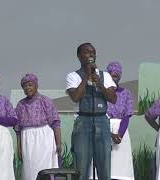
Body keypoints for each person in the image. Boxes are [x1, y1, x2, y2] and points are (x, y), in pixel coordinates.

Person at [66, 43, 117, 180]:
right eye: (87, 52)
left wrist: (99, 83)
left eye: (93, 52)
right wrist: (87, 75)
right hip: (83, 122)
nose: (91, 55)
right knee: (81, 167)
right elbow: (76, 97)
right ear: (79, 56)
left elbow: (113, 98)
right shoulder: (73, 76)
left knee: (104, 166)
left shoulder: (105, 76)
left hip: (102, 121)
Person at [90, 61, 134, 180]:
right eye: (111, 74)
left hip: (121, 132)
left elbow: (127, 116)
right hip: (102, 127)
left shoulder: (126, 93)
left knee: (120, 168)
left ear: (120, 76)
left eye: (116, 75)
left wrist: (119, 134)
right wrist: (109, 134)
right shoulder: (99, 92)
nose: (114, 76)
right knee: (102, 165)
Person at [15, 73, 61, 180]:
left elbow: (55, 122)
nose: (27, 88)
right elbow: (18, 129)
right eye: (25, 86)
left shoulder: (45, 101)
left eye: (30, 85)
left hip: (44, 136)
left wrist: (58, 143)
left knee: (46, 167)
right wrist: (19, 147)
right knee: (30, 169)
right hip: (27, 138)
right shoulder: (21, 105)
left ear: (36, 85)